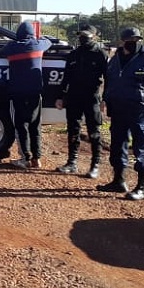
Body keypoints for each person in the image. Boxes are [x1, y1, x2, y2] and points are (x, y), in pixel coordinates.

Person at [96, 27, 144, 201]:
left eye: (136, 40)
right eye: (129, 40)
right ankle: (118, 181)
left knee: (141, 146)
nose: (133, 43)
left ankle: (142, 187)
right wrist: (106, 99)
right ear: (122, 41)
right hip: (118, 109)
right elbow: (109, 82)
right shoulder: (114, 60)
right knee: (117, 144)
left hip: (139, 111)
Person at [54, 24, 109, 178]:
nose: (83, 39)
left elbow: (108, 79)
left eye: (86, 36)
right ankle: (72, 162)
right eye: (81, 36)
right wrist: (60, 96)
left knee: (94, 132)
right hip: (74, 97)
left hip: (92, 97)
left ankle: (95, 165)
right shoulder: (74, 54)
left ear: (94, 36)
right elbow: (66, 77)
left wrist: (106, 99)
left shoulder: (101, 54)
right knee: (73, 130)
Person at [1, 21, 52, 169]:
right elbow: (48, 41)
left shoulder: (11, 47)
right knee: (35, 126)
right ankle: (37, 159)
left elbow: (1, 51)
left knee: (21, 125)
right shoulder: (38, 45)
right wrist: (39, 38)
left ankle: (25, 158)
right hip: (35, 92)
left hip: (17, 92)